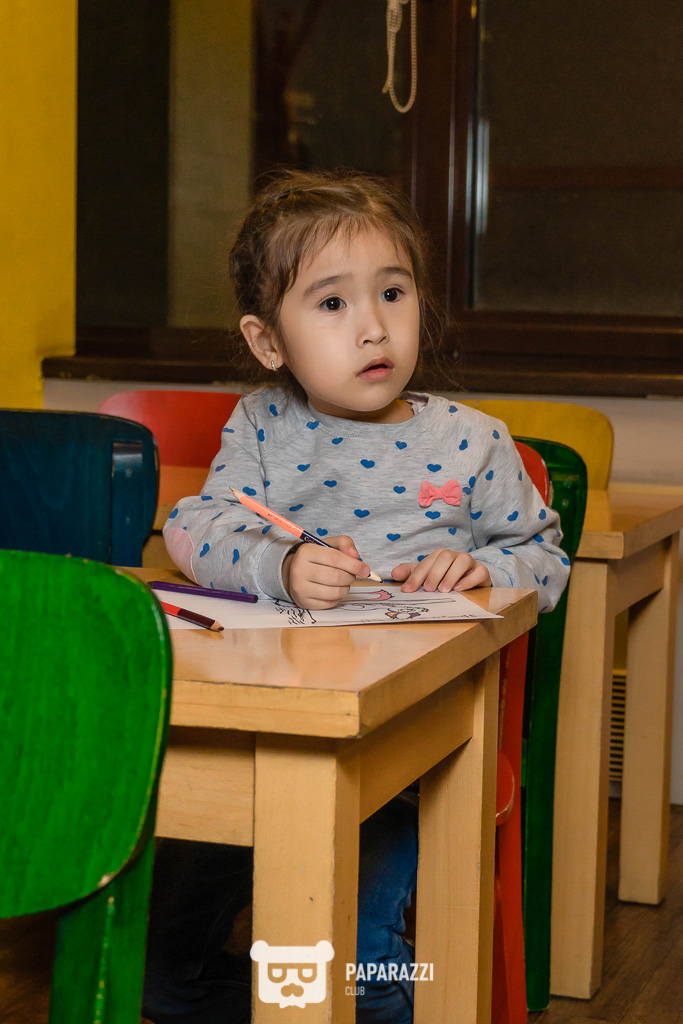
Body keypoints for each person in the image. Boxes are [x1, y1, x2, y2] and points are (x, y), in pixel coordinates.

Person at [144, 169, 570, 1024]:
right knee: (157, 974)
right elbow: (192, 528)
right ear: (269, 341)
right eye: (332, 303)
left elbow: (545, 558)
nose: (373, 326)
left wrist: (487, 570)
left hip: (410, 752)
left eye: (392, 292)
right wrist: (277, 565)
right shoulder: (262, 424)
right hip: (256, 737)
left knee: (360, 972)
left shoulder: (473, 442)